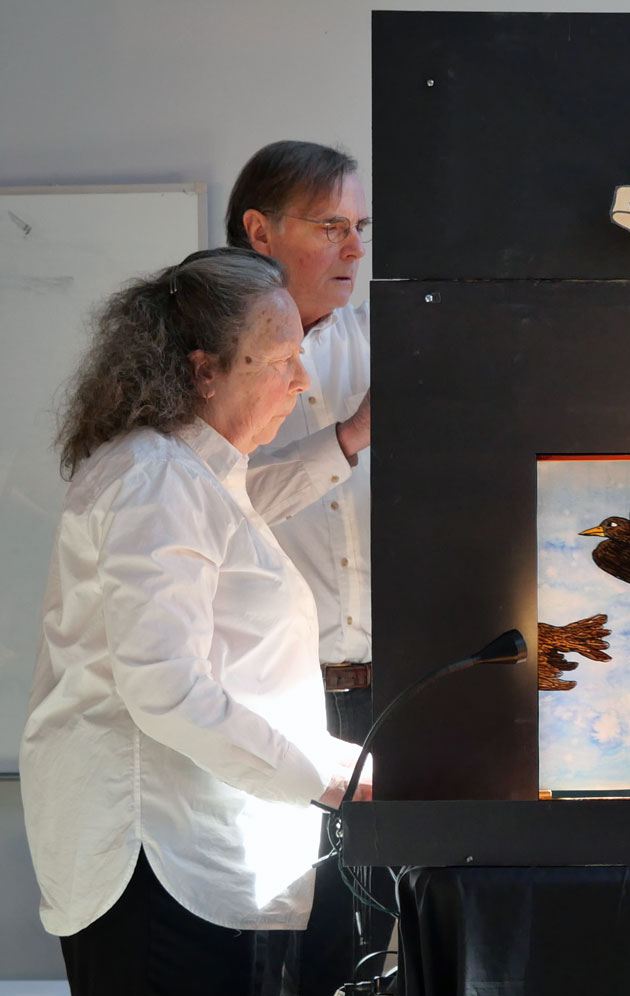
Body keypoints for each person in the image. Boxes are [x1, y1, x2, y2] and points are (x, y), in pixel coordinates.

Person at [19, 248, 372, 996]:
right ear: (204, 370)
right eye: (279, 359)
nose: (301, 380)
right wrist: (324, 772)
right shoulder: (154, 479)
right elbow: (165, 687)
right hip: (158, 866)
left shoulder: (195, 474)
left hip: (195, 858)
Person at [226, 141, 381, 993]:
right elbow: (223, 506)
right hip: (272, 703)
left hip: (392, 694)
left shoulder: (393, 337)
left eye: (360, 227)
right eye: (331, 227)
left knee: (382, 937)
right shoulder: (206, 364)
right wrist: (350, 437)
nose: (355, 249)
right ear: (259, 231)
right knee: (282, 945)